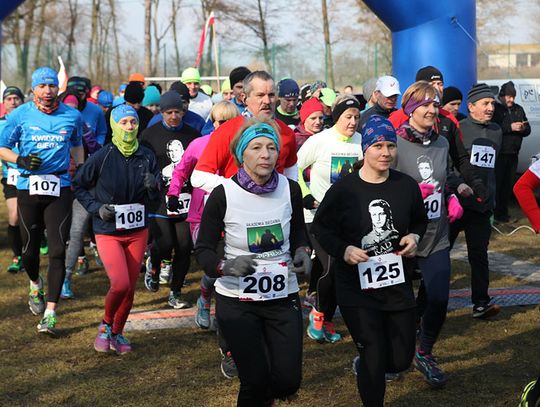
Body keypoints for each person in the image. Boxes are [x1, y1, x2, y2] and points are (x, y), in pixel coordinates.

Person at [312, 115, 428, 407]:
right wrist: (344, 250)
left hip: (396, 286)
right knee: (373, 355)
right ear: (365, 149)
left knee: (400, 360)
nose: (385, 152)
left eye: (391, 145)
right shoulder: (344, 190)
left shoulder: (406, 186)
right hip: (356, 289)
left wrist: (414, 236)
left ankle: (366, 363)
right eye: (378, 146)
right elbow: (321, 229)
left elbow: (419, 220)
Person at [195, 118, 311, 406]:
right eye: (256, 147)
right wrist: (224, 267)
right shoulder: (223, 194)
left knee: (287, 381)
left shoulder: (290, 189)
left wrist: (302, 250)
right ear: (241, 154)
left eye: (272, 147)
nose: (265, 154)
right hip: (237, 301)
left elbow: (299, 230)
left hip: (282, 296)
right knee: (255, 380)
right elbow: (204, 249)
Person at [0, 66, 84, 334]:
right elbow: (2, 148)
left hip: (60, 186)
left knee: (58, 249)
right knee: (29, 251)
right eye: (42, 86)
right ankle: (35, 283)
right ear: (33, 89)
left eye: (52, 86)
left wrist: (80, 167)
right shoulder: (20, 115)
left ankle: (50, 313)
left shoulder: (72, 115)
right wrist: (21, 160)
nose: (48, 91)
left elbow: (77, 144)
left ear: (58, 88)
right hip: (28, 186)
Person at [393, 80, 464, 387]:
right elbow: (381, 184)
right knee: (399, 305)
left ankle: (424, 351)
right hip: (401, 238)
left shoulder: (442, 143)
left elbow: (445, 177)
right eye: (425, 104)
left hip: (436, 234)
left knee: (438, 297)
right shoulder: (394, 144)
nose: (433, 110)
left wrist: (452, 194)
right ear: (410, 109)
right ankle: (392, 354)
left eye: (435, 104)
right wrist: (409, 196)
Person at [73, 104, 160, 354]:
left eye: (133, 122)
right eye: (123, 123)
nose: (129, 127)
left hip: (137, 230)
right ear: (113, 126)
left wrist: (154, 188)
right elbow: (79, 185)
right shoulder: (102, 156)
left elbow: (155, 201)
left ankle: (118, 333)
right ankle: (105, 325)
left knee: (130, 289)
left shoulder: (147, 156)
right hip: (108, 230)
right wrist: (97, 208)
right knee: (120, 284)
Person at [167, 100, 240, 378]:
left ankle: (225, 322)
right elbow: (182, 170)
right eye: (220, 122)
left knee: (227, 270)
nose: (224, 127)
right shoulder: (199, 144)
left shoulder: (242, 146)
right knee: (213, 267)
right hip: (201, 216)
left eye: (229, 122)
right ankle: (205, 298)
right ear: (213, 122)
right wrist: (173, 193)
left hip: (233, 215)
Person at [297, 94, 363, 344]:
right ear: (336, 118)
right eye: (348, 117)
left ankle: (326, 317)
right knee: (331, 267)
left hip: (348, 218)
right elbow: (294, 168)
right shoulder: (319, 140)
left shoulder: (361, 141)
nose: (353, 122)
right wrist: (306, 195)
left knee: (343, 270)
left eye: (356, 117)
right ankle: (318, 314)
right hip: (317, 217)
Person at [191, 70, 298, 193]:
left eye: (271, 95)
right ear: (244, 98)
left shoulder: (287, 132)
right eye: (260, 95)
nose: (267, 101)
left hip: (276, 203)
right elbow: (199, 176)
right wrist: (237, 190)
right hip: (236, 203)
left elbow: (291, 173)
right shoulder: (227, 131)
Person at [140, 91, 200, 308]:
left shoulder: (192, 134)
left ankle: (176, 292)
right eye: (169, 112)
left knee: (184, 246)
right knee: (164, 243)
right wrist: (149, 181)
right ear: (162, 112)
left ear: (183, 111)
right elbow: (142, 163)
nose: (174, 116)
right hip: (160, 198)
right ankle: (154, 266)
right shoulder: (149, 135)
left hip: (186, 197)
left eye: (177, 112)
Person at [449, 83, 503, 319]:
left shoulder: (497, 131)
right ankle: (424, 305)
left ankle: (481, 303)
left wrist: (490, 196)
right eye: (485, 103)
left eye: (492, 103)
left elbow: (491, 168)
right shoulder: (458, 129)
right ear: (471, 107)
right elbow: (451, 165)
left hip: (482, 205)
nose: (490, 107)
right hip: (457, 204)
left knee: (479, 256)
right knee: (439, 255)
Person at [59, 92, 101, 299]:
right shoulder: (53, 127)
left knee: (76, 232)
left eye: (75, 108)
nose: (72, 112)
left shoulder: (82, 127)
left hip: (80, 187)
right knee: (58, 234)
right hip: (57, 187)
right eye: (68, 107)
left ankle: (66, 278)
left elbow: (96, 149)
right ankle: (56, 274)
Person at [492, 81, 531, 223]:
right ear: (502, 96)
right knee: (497, 185)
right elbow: (493, 128)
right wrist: (510, 127)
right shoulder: (495, 109)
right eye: (509, 96)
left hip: (513, 154)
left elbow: (528, 129)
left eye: (513, 97)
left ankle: (503, 214)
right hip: (499, 154)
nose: (511, 100)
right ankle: (494, 215)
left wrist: (523, 128)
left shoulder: (518, 109)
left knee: (508, 186)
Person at [0, 86, 24, 273]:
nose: (13, 101)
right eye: (9, 99)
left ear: (22, 101)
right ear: (3, 103)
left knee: (35, 214)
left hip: (32, 175)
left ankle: (41, 238)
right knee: (14, 216)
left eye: (16, 98)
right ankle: (18, 256)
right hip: (11, 177)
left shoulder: (30, 121)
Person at [67, 76, 107, 146]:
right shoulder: (59, 110)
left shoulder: (96, 110)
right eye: (74, 95)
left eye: (80, 95)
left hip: (91, 150)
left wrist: (98, 145)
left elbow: (102, 132)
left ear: (86, 93)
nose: (77, 98)